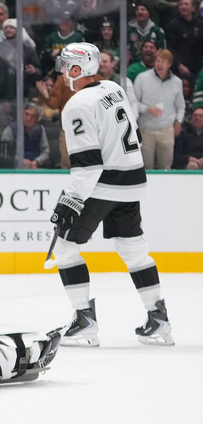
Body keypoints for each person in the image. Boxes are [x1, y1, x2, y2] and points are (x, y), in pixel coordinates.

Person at [48, 42, 174, 347]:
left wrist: (70, 200)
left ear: (77, 70)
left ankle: (84, 323)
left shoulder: (76, 105)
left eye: (66, 66)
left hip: (103, 184)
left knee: (64, 249)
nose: (62, 72)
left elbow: (88, 164)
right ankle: (159, 320)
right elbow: (137, 135)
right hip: (131, 180)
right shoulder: (113, 88)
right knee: (134, 250)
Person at [133, 48, 185, 170]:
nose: (159, 64)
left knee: (166, 166)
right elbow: (133, 103)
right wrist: (147, 109)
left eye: (163, 62)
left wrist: (179, 121)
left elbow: (180, 106)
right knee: (146, 167)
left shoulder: (177, 82)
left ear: (169, 64)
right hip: (146, 129)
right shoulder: (142, 78)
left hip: (166, 130)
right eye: (157, 61)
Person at [1, 103, 50, 168]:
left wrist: (36, 161)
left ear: (37, 118)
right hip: (15, 169)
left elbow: (46, 151)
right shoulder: (10, 130)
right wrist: (21, 161)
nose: (29, 118)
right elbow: (5, 154)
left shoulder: (40, 130)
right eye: (26, 114)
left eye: (32, 116)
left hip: (35, 168)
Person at [174, 104, 203, 169]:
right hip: (188, 163)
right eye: (195, 115)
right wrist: (188, 159)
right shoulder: (182, 133)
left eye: (201, 116)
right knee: (193, 166)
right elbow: (175, 155)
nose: (197, 118)